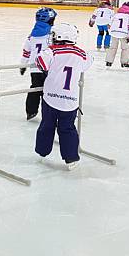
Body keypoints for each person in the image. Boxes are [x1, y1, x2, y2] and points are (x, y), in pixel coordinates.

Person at [34, 22, 92, 170]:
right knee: (67, 128)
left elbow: (40, 62)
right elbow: (89, 61)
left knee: (47, 125)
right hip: (70, 100)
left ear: (60, 36)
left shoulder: (52, 51)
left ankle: (42, 151)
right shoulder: (81, 53)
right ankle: (71, 158)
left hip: (50, 98)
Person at [19, 7, 57, 121]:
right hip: (48, 67)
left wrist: (23, 65)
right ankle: (49, 115)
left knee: (35, 89)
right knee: (49, 91)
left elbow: (26, 51)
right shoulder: (52, 33)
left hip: (34, 68)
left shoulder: (32, 35)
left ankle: (31, 111)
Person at [105, 2, 129, 68]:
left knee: (112, 47)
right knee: (125, 48)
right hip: (124, 33)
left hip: (114, 32)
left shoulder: (116, 14)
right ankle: (124, 63)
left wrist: (112, 30)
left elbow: (109, 24)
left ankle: (108, 62)